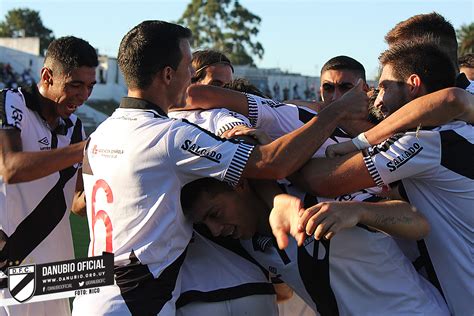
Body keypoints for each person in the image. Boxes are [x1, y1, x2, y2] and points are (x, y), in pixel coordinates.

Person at [72, 20, 366, 315]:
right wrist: (336, 111)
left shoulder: (100, 136)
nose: (192, 76)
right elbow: (270, 162)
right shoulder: (169, 137)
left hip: (92, 297)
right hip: (138, 302)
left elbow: (81, 205)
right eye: (188, 66)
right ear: (168, 74)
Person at [290, 41, 474, 315]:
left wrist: (273, 156)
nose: (377, 98)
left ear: (413, 84)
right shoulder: (459, 132)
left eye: (385, 86)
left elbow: (323, 180)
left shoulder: (427, 143)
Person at [180, 175, 449, 315]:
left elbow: (418, 223)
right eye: (206, 224)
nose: (215, 230)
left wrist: (359, 211)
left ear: (239, 184)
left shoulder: (315, 196)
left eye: (215, 214)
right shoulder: (243, 240)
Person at [170, 50, 279, 316]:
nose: (227, 96)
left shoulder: (217, 117)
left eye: (230, 88)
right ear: (191, 81)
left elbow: (244, 140)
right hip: (205, 287)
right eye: (218, 86)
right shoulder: (205, 118)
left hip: (222, 285)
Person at [0, 36, 97, 315]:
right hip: (10, 272)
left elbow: (78, 202)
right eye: (75, 84)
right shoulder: (10, 103)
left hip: (56, 275)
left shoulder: (76, 128)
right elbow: (10, 167)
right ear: (47, 76)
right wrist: (86, 149)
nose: (84, 95)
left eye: (90, 86)